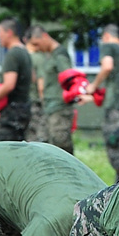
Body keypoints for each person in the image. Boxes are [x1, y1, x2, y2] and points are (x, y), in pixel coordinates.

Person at [86, 25, 119, 182]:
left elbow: (107, 67)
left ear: (107, 36)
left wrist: (93, 85)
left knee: (118, 158)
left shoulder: (109, 46)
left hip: (117, 111)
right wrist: (91, 97)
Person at [25, 25, 76, 154]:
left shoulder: (60, 55)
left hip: (59, 109)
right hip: (50, 108)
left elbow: (69, 78)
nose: (37, 48)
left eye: (37, 43)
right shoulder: (50, 55)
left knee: (61, 148)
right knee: (46, 147)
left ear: (44, 36)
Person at [0, 20, 33, 142]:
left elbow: (9, 85)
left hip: (12, 112)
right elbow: (33, 78)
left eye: (0, 32)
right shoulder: (25, 52)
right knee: (18, 149)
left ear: (9, 33)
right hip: (24, 109)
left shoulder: (12, 54)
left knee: (1, 151)